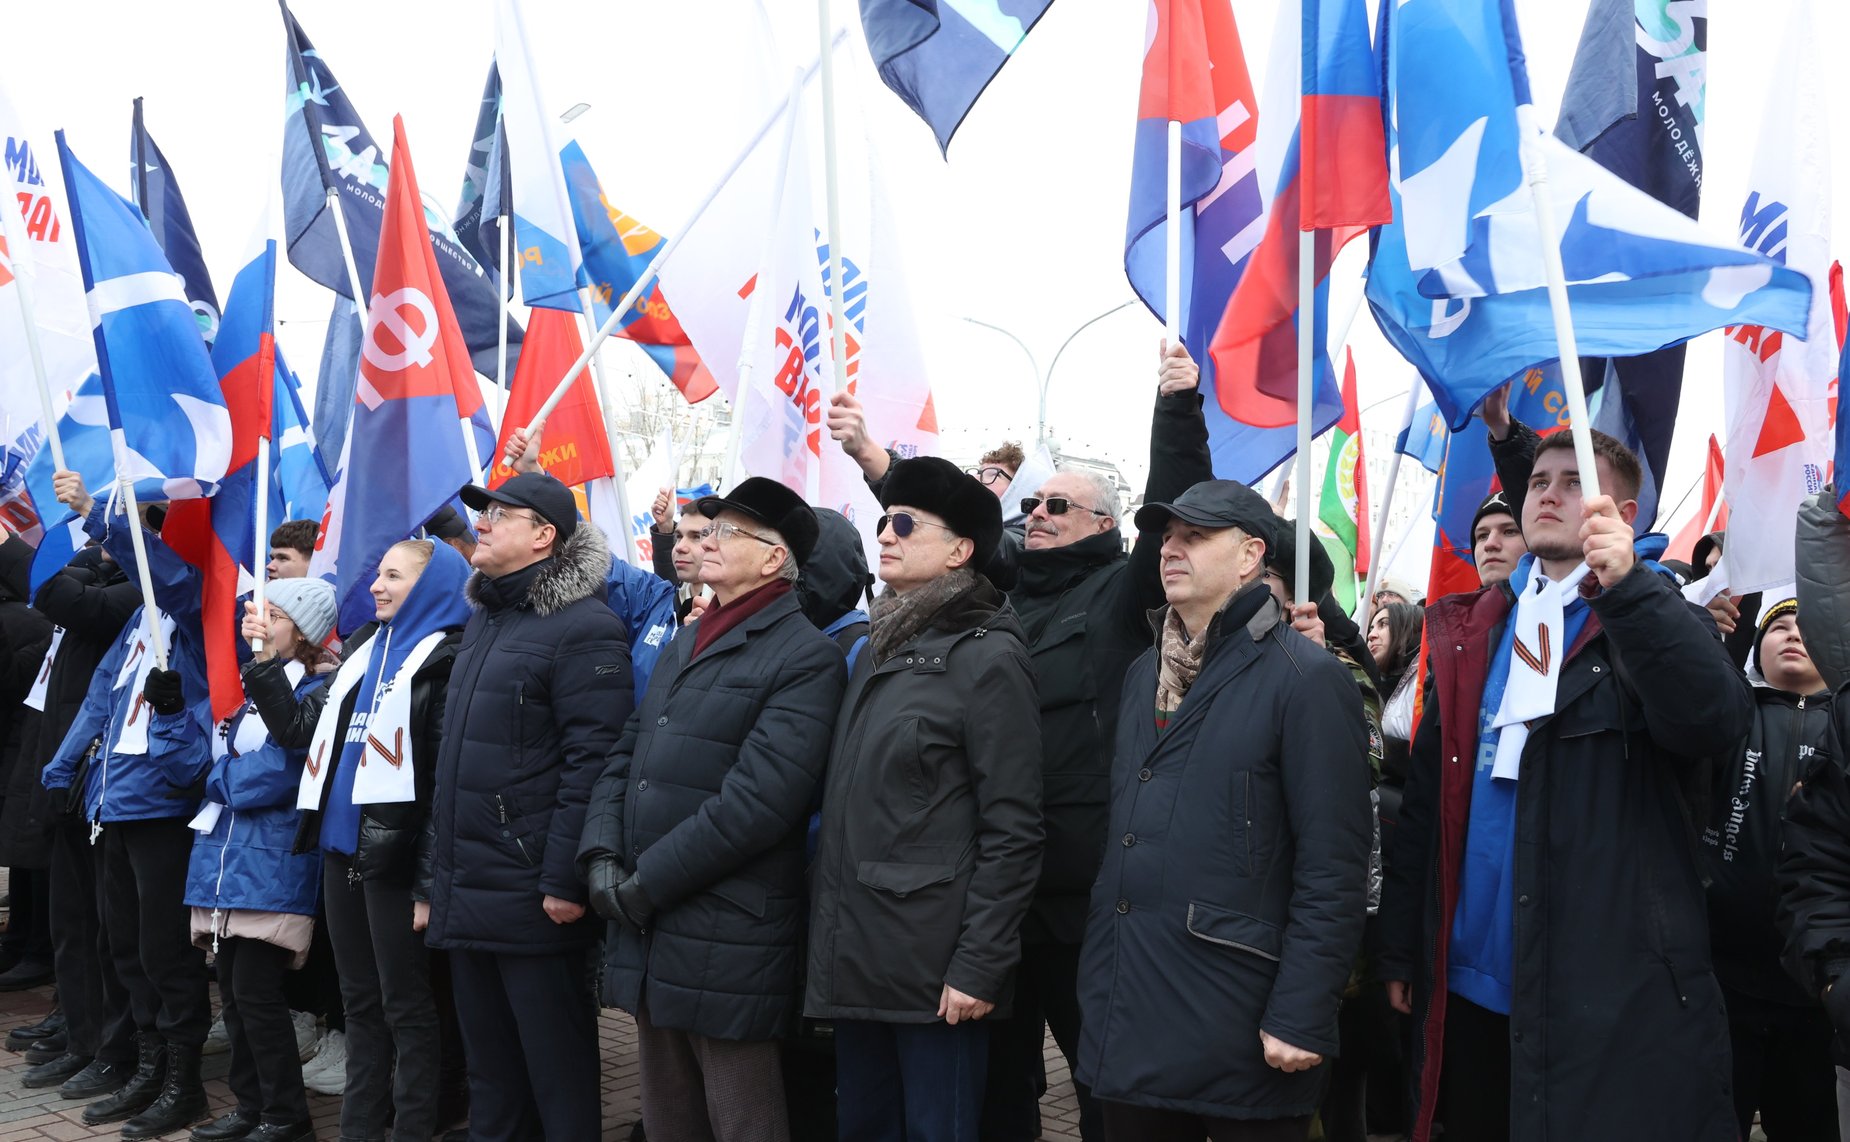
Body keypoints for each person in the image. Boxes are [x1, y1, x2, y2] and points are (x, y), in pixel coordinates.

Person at [1378, 429, 1749, 1142]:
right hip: (1468, 988)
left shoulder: (1653, 621)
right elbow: (1427, 806)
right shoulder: (1473, 632)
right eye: (1539, 480)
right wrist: (1402, 946)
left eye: (1574, 482)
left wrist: (1631, 590)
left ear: (1624, 514)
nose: (1548, 493)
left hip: (1602, 999)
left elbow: (1713, 724)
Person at [946, 341, 1208, 1142]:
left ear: (1101, 523)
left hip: (1085, 895)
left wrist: (1178, 408)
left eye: (1058, 506)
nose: (1038, 515)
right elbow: (945, 531)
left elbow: (1174, 502)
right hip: (998, 895)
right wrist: (872, 459)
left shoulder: (1121, 590)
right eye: (1034, 506)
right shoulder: (1003, 601)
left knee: (1104, 1087)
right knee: (997, 1087)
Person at [1074, 482, 1371, 1142]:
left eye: (1195, 536)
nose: (1171, 549)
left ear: (1250, 556)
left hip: (1242, 1022)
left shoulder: (1308, 679)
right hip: (1132, 1011)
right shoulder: (1139, 676)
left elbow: (1334, 869)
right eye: (1166, 536)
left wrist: (1301, 1012)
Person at [581, 478, 846, 1142]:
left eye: (732, 532)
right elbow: (628, 753)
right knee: (669, 1111)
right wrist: (603, 855)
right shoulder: (689, 636)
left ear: (775, 559)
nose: (712, 540)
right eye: (712, 528)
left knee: (741, 1115)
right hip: (651, 918)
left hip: (725, 927)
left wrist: (646, 883)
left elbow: (759, 802)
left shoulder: (805, 656)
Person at [806, 457, 1043, 1142]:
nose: (885, 533)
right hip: (860, 960)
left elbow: (1014, 828)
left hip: (937, 975)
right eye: (882, 519)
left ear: (961, 551)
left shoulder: (988, 655)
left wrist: (978, 964)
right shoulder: (883, 645)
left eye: (905, 523)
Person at [426, 471, 634, 1141]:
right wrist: (437, 876)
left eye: (499, 515)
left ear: (544, 535)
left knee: (556, 1075)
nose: (479, 524)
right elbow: (456, 764)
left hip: (533, 895)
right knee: (493, 1075)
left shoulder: (586, 627)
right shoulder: (486, 617)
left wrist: (563, 878)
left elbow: (594, 765)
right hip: (470, 888)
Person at [244, 537, 472, 1142]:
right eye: (378, 573)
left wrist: (426, 883)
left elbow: (445, 791)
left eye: (394, 576)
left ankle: (412, 1130)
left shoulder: (449, 660)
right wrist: (265, 664)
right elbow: (299, 728)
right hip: (341, 849)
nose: (376, 585)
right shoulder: (364, 651)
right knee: (360, 1006)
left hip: (395, 862)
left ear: (431, 585)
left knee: (408, 1010)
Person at [42, 474, 215, 1139]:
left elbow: (170, 580)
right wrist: (64, 766)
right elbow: (102, 698)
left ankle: (183, 1079)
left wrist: (101, 515)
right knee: (125, 946)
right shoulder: (142, 618)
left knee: (165, 951)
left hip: (163, 806)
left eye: (148, 528)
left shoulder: (197, 604)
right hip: (113, 801)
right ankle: (147, 1066)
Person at [184, 578, 340, 1142]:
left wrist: (217, 781)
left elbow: (275, 774)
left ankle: (285, 1116)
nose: (257, 620)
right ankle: (252, 1106)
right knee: (235, 995)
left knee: (257, 995)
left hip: (270, 865)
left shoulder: (311, 695)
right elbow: (213, 765)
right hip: (226, 863)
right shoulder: (253, 696)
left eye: (273, 613)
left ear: (301, 632)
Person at [1698, 595, 1837, 1140]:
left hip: (1814, 989)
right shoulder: (1735, 715)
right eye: (1778, 625)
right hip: (1722, 975)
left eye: (1809, 625)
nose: (1793, 634)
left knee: (1807, 1118)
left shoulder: (1843, 728)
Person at [17, 543, 142, 1102]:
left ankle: (111, 1049)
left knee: (105, 929)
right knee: (69, 922)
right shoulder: (99, 573)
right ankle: (80, 1036)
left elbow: (68, 599)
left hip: (100, 784)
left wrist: (15, 545)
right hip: (62, 778)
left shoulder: (137, 592)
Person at [0, 523, 56, 993]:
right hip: (24, 750)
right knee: (24, 855)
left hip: (37, 751)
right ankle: (22, 940)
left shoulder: (31, 620)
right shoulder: (40, 625)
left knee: (37, 855)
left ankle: (37, 948)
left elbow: (12, 681)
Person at [1470, 492, 1526, 589]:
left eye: (1509, 531)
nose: (1489, 544)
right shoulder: (1448, 604)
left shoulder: (1557, 603)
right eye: (1483, 536)